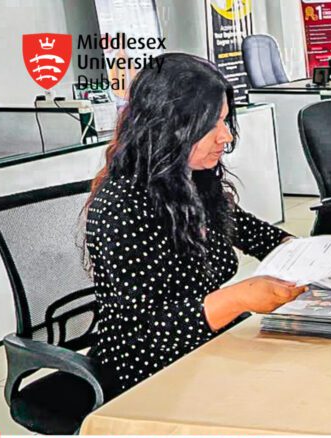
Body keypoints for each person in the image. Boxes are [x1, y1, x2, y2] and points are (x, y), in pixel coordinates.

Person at [85, 53, 306, 397]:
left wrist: (307, 254)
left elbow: (255, 233)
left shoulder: (191, 180)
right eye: (210, 125)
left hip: (206, 346)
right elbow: (147, 333)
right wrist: (237, 298)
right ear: (167, 127)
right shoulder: (123, 205)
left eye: (225, 121)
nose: (226, 137)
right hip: (145, 371)